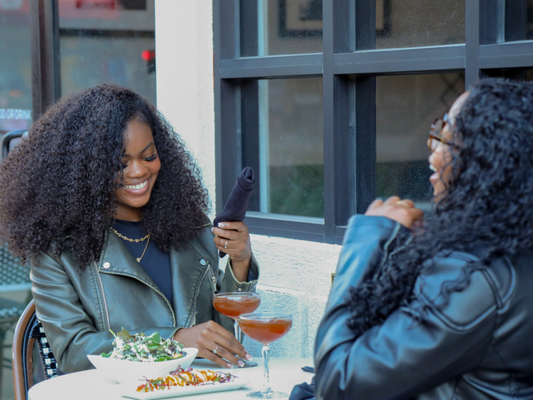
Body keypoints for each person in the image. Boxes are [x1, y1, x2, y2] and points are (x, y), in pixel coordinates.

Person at [0, 84, 259, 373]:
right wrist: (173, 340)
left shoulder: (190, 227)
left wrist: (240, 262)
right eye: (121, 163)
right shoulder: (58, 251)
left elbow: (224, 340)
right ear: (88, 169)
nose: (138, 171)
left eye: (148, 157)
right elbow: (74, 353)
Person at [312, 79, 533, 399]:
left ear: (490, 154)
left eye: (448, 133)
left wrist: (369, 238)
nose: (434, 149)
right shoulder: (511, 254)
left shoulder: (475, 278)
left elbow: (338, 383)